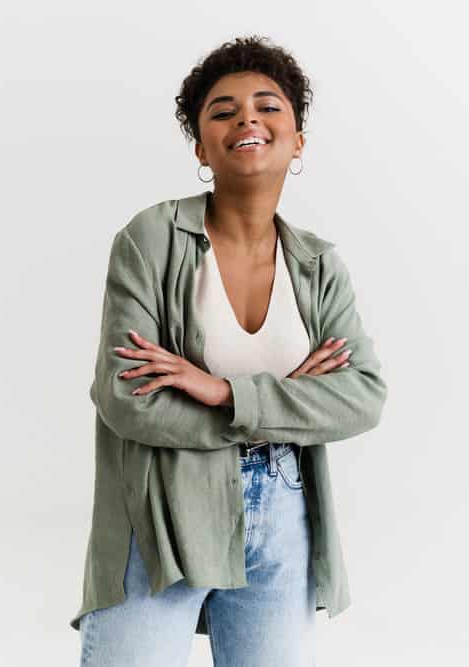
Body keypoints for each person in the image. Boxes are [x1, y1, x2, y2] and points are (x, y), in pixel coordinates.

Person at [72, 35, 388, 666]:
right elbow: (128, 400)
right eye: (222, 110)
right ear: (201, 147)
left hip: (285, 507)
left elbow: (361, 398)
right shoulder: (152, 238)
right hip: (162, 507)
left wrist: (222, 390)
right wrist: (287, 401)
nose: (247, 117)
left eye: (268, 106)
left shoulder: (318, 264)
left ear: (298, 140)